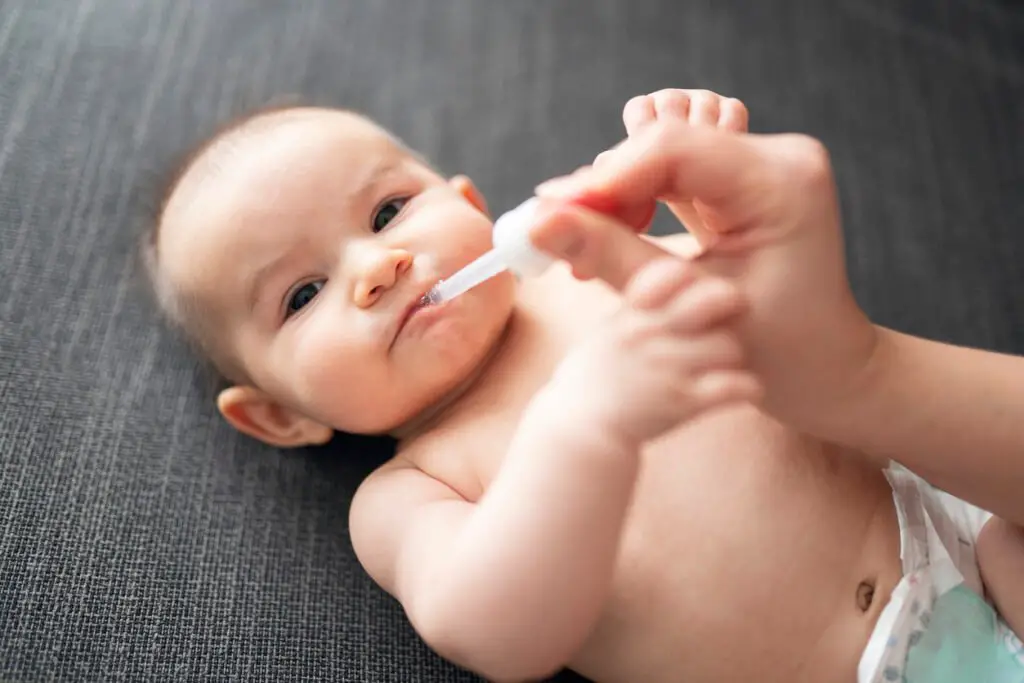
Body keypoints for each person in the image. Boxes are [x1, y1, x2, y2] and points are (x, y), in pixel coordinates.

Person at [145, 88, 1024, 682]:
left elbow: (781, 330)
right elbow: (498, 631)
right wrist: (581, 427)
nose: (376, 266)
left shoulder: (599, 273)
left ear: (472, 203)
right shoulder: (411, 489)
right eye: (302, 295)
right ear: (277, 416)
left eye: (387, 212)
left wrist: (715, 230)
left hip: (960, 539)